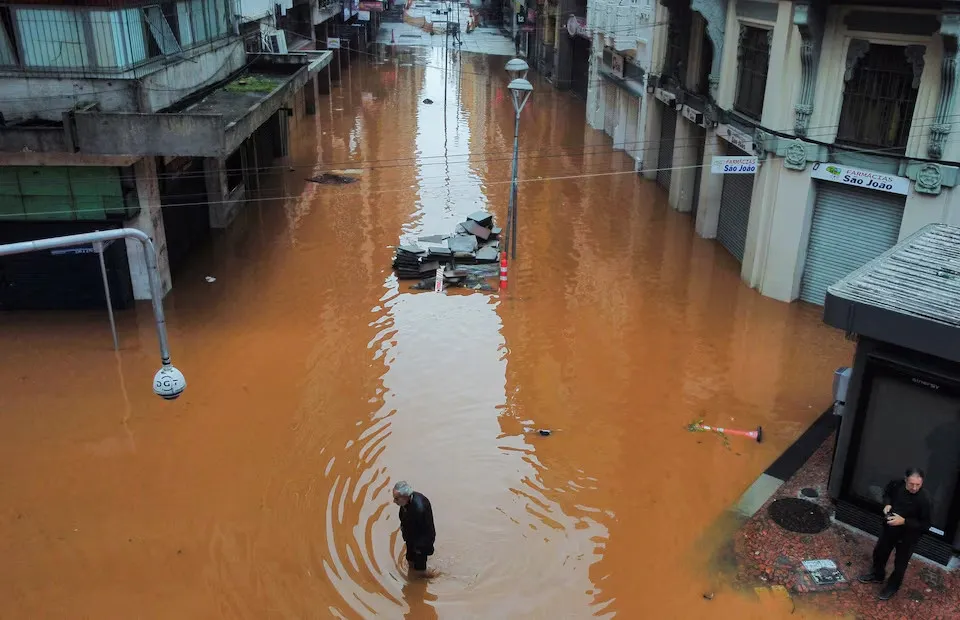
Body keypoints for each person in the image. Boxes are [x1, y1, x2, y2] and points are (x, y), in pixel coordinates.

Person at [858, 468, 932, 600]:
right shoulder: (896, 484)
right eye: (911, 484)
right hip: (890, 530)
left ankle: (892, 587)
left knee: (900, 564)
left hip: (908, 536)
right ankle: (877, 575)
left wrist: (904, 521)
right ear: (905, 480)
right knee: (880, 552)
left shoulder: (925, 499)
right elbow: (887, 494)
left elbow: (925, 525)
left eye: (918, 485)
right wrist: (887, 504)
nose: (914, 488)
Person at [393, 481, 436, 576]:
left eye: (396, 499)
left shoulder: (418, 509)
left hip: (421, 542)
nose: (394, 501)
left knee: (419, 571)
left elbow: (427, 531)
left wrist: (420, 548)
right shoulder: (405, 503)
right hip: (411, 537)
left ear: (405, 497)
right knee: (410, 559)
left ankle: (431, 575)